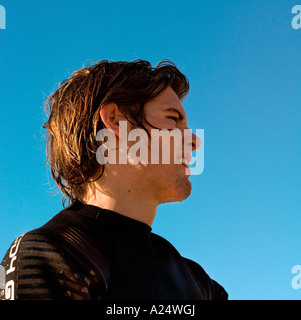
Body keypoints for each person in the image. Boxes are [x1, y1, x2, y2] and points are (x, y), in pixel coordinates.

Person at [0, 59, 228, 300]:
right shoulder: (50, 254)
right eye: (173, 119)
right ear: (116, 121)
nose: (195, 141)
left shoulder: (201, 283)